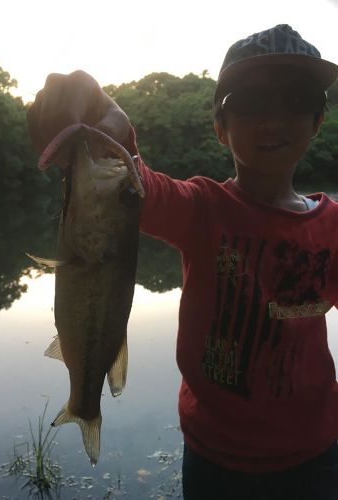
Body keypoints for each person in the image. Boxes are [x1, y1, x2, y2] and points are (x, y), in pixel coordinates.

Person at [27, 24, 338, 500]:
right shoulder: (199, 209)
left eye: (296, 97)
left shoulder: (334, 227)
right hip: (214, 457)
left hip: (314, 454)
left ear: (318, 119)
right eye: (252, 100)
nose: (273, 117)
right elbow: (131, 183)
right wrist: (97, 112)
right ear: (220, 126)